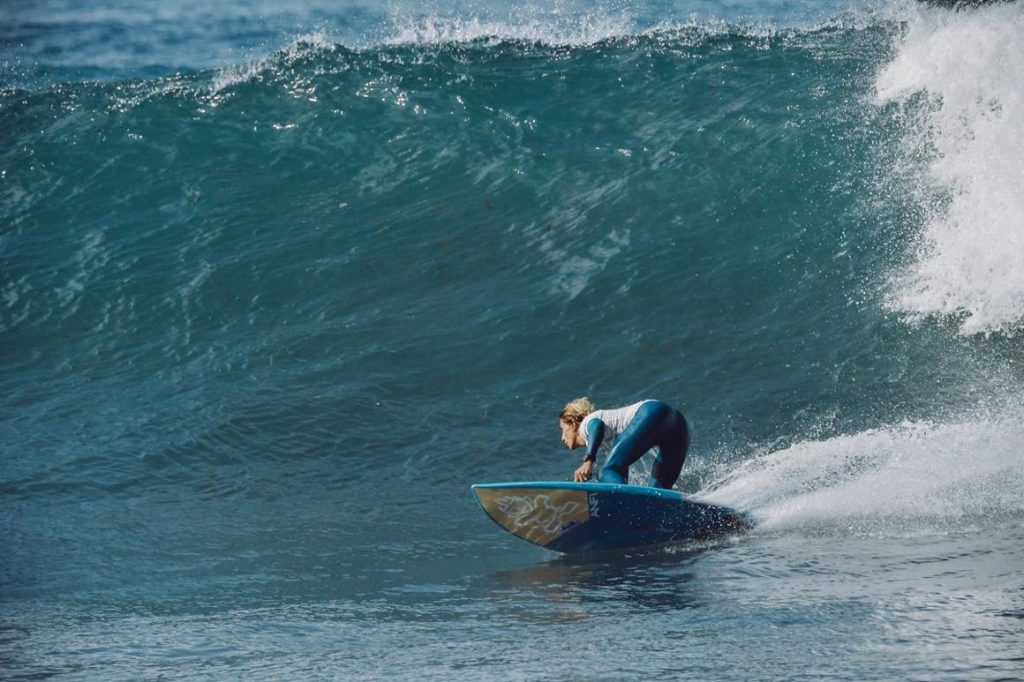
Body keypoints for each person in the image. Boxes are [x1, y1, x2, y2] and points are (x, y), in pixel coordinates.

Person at [558, 397, 689, 489]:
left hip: (653, 412)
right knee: (657, 494)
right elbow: (620, 480)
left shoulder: (587, 423)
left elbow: (596, 426)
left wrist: (589, 460)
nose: (562, 438)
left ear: (573, 424)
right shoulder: (611, 442)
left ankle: (629, 509)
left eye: (563, 430)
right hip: (678, 426)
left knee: (607, 470)